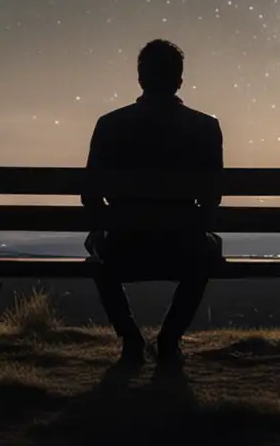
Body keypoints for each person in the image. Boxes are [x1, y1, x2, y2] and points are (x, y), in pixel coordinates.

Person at [83, 38, 224, 364]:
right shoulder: (205, 128)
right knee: (210, 250)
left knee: (96, 251)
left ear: (140, 78)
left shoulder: (109, 125)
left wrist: (107, 226)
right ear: (179, 80)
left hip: (123, 247)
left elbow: (89, 195)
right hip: (183, 248)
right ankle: (169, 339)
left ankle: (131, 339)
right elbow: (211, 197)